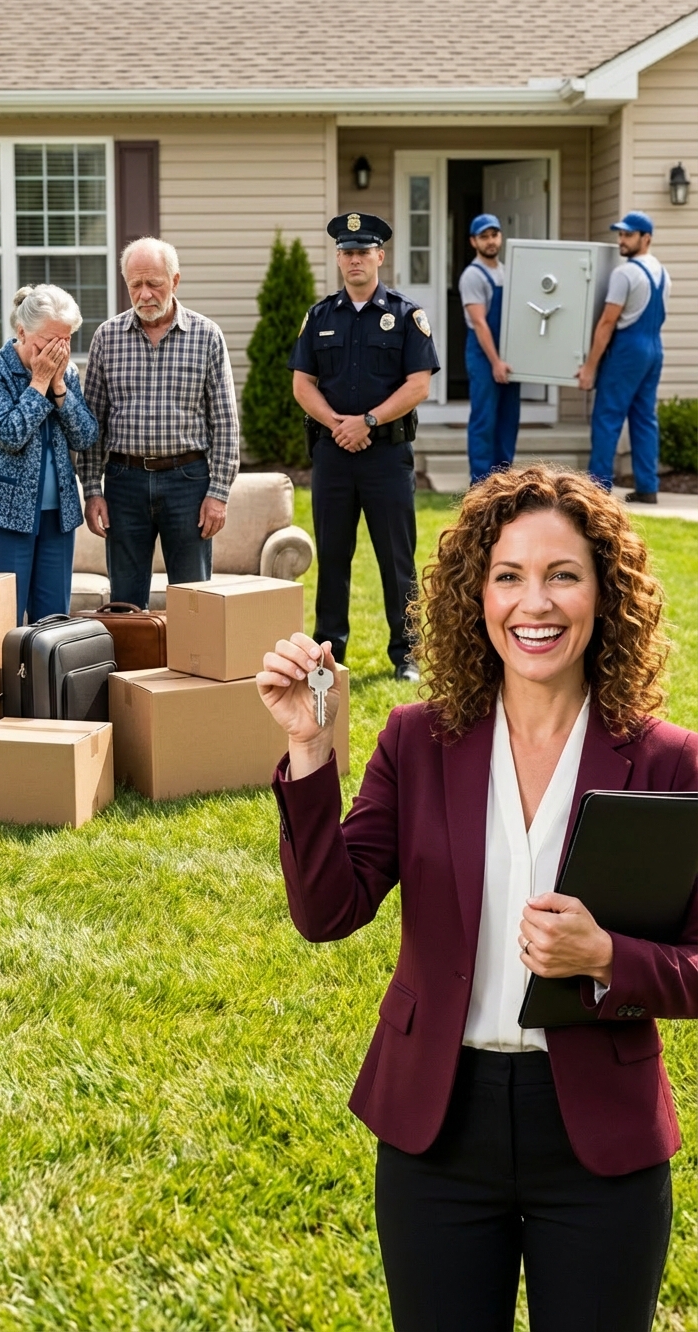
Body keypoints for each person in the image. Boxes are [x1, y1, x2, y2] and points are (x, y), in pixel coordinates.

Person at [257, 464, 698, 1332]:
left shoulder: (669, 762)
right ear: (477, 595)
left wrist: (609, 957)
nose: (534, 604)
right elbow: (326, 909)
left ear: (606, 595)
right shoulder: (417, 742)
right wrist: (308, 747)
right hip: (435, 1129)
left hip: (599, 1143)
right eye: (509, 576)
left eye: (562, 575)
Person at [289, 212, 439, 683]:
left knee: (397, 557)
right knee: (332, 556)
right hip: (333, 454)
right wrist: (338, 424)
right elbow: (302, 383)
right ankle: (328, 654)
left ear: (379, 256)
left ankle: (408, 654)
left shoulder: (406, 315)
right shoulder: (320, 317)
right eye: (346, 252)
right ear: (338, 259)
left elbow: (418, 385)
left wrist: (369, 420)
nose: (355, 259)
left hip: (386, 457)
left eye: (363, 251)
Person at [78, 236, 239, 607]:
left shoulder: (207, 336)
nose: (145, 294)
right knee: (125, 597)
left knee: (195, 599)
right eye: (136, 285)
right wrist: (92, 489)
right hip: (123, 483)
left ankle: (196, 664)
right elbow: (93, 424)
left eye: (154, 283)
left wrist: (218, 493)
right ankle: (131, 665)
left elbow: (226, 423)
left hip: (188, 482)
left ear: (175, 280)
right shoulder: (107, 337)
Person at [0, 285, 98, 624]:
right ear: (22, 332)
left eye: (65, 341)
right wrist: (38, 383)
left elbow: (85, 436)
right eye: (47, 340)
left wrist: (58, 387)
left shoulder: (67, 373)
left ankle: (45, 681)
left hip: (57, 518)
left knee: (52, 625)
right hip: (0, 514)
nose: (56, 350)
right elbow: (10, 435)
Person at [580, 210, 671, 504]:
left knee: (607, 417)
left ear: (646, 239)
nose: (622, 240)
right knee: (645, 419)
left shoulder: (625, 273)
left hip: (628, 348)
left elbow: (607, 323)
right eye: (620, 234)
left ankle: (597, 489)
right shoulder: (662, 273)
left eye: (628, 235)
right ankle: (647, 487)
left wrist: (590, 367)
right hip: (654, 347)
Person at [459, 213, 521, 483]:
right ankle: (480, 484)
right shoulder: (473, 276)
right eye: (484, 236)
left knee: (508, 420)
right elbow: (479, 323)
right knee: (485, 420)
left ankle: (503, 482)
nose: (491, 241)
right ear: (474, 241)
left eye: (494, 235)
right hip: (484, 356)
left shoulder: (508, 271)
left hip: (509, 354)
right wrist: (495, 361)